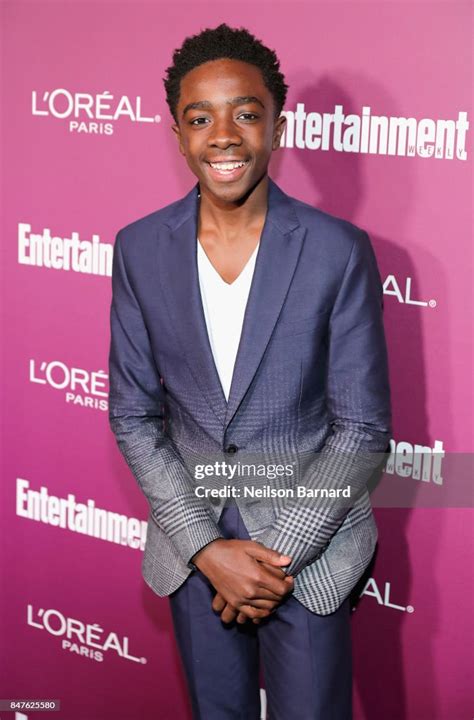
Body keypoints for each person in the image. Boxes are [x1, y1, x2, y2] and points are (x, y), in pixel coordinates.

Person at [108, 23, 392, 720]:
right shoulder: (140, 248)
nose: (224, 135)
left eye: (246, 113)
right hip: (190, 545)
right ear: (177, 132)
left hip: (312, 555)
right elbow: (134, 415)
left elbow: (361, 430)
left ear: (276, 124)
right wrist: (208, 549)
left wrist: (274, 557)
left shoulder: (337, 250)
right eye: (200, 118)